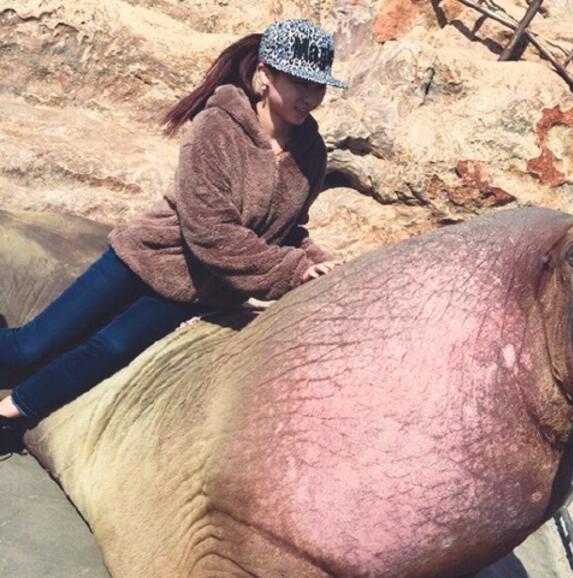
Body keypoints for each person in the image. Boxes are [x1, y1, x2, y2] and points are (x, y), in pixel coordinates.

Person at [0, 18, 345, 453]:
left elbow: (289, 229)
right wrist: (293, 270)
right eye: (300, 82)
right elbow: (209, 229)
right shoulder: (217, 127)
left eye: (319, 86)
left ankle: (11, 413)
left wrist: (317, 260)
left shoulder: (312, 152)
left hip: (198, 287)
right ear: (265, 73)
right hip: (146, 256)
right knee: (27, 348)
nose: (310, 97)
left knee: (110, 348)